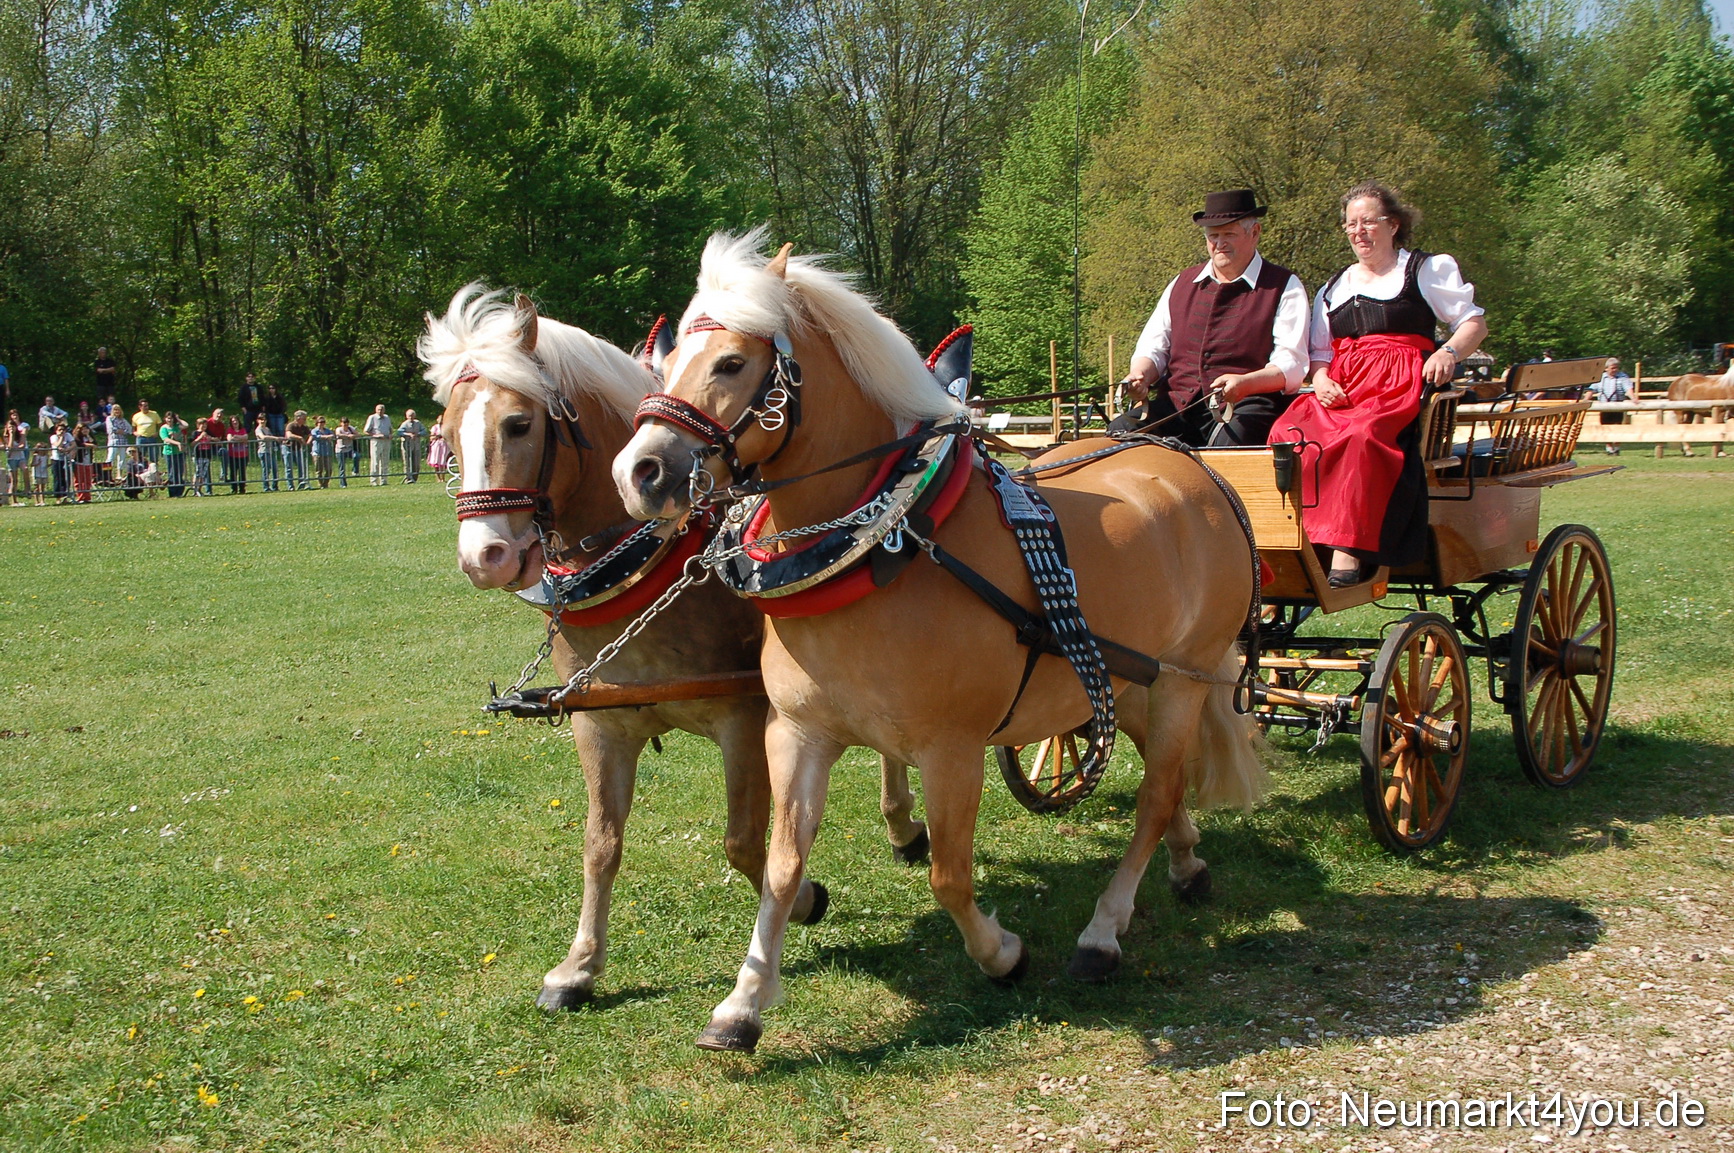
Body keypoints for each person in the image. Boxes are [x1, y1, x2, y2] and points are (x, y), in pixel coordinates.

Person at [1277, 181, 1488, 589]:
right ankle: (1300, 541)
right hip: (1343, 385)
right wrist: (1319, 378)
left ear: (1393, 225)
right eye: (1351, 224)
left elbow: (1473, 324)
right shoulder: (1334, 286)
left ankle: (1348, 548)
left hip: (1395, 385)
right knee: (1288, 432)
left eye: (1368, 222)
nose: (1358, 231)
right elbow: (1320, 351)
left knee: (1362, 436)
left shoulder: (1424, 270)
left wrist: (1447, 352)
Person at [1125, 189, 1309, 447]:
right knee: (1119, 437)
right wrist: (1140, 376)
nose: (1219, 243)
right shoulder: (1182, 283)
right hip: (1177, 406)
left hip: (1247, 406)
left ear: (1255, 233)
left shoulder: (1284, 286)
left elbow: (1292, 364)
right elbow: (1154, 348)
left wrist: (1245, 384)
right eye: (1213, 235)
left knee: (1229, 448)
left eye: (1229, 234)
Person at [1592, 357, 1634, 455]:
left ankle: (1616, 448)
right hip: (1604, 407)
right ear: (1606, 368)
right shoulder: (1600, 378)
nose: (1615, 370)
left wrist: (1633, 399)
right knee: (1605, 427)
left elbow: (1628, 389)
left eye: (1616, 368)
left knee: (1617, 427)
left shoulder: (1623, 377)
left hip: (1617, 407)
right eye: (1613, 368)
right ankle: (1609, 448)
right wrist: (1585, 400)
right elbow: (1592, 390)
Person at [159, 411, 187, 497]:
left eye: (171, 418)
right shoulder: (163, 428)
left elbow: (186, 425)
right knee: (172, 473)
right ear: (165, 419)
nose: (169, 420)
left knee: (180, 472)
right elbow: (166, 439)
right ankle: (173, 492)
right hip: (169, 453)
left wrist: (178, 419)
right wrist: (177, 443)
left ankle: (179, 492)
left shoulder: (177, 426)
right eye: (168, 418)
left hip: (179, 453)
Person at [363, 404, 392, 484]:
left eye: (382, 410)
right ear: (376, 410)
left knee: (385, 461)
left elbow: (390, 429)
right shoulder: (372, 418)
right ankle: (374, 480)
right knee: (375, 461)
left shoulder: (387, 417)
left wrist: (390, 434)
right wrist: (376, 435)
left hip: (386, 441)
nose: (380, 411)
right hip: (376, 441)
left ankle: (384, 480)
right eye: (378, 409)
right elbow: (366, 431)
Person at [283, 410, 312, 490]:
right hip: (288, 448)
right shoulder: (290, 425)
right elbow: (289, 435)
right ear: (298, 418)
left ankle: (301, 484)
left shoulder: (304, 427)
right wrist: (300, 438)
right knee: (289, 467)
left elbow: (310, 435)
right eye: (304, 418)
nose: (305, 420)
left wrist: (308, 442)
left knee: (301, 466)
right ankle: (290, 486)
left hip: (298, 449)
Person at [3, 411, 27, 506]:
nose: (11, 429)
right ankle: (14, 501)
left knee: (25, 469)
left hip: (20, 457)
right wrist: (11, 436)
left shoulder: (21, 435)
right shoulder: (5, 436)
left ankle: (27, 490)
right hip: (11, 459)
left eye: (13, 427)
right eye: (9, 427)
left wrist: (15, 448)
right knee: (14, 480)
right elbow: (9, 447)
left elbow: (22, 445)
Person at [397, 409, 425, 483]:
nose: (411, 417)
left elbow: (424, 431)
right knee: (407, 462)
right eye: (409, 416)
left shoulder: (418, 423)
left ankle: (415, 478)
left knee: (416, 462)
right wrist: (408, 434)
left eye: (412, 416)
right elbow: (399, 432)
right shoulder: (404, 424)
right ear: (406, 416)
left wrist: (418, 434)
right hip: (407, 446)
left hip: (416, 445)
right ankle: (408, 478)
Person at [254, 414, 281, 492]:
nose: (263, 421)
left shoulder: (267, 429)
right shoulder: (258, 429)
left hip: (270, 451)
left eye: (264, 419)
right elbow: (263, 437)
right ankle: (266, 487)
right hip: (263, 451)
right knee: (266, 469)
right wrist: (275, 438)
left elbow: (272, 438)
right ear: (257, 420)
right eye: (261, 419)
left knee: (275, 469)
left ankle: (275, 486)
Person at [132, 399, 162, 464]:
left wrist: (157, 432)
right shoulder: (136, 416)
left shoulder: (154, 414)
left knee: (153, 457)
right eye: (144, 406)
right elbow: (133, 429)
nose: (146, 407)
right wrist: (135, 433)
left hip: (152, 438)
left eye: (147, 406)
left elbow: (160, 425)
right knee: (140, 457)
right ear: (140, 407)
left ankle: (154, 469)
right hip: (141, 438)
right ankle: (141, 469)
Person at [309, 415, 336, 488]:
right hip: (317, 452)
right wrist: (326, 437)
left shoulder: (327, 430)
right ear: (317, 423)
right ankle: (321, 484)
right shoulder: (314, 430)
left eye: (323, 422)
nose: (322, 423)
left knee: (329, 469)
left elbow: (332, 435)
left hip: (327, 452)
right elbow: (316, 436)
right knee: (319, 470)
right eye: (320, 422)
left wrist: (330, 436)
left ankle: (325, 483)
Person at [49, 420, 72, 503]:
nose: (62, 431)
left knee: (66, 479)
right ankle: (58, 498)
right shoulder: (53, 437)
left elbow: (74, 444)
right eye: (59, 429)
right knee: (58, 479)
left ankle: (65, 498)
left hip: (66, 459)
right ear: (56, 430)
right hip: (56, 460)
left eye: (63, 429)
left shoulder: (68, 435)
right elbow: (57, 445)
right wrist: (61, 437)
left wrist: (67, 449)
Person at [71, 421, 95, 502]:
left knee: (88, 481)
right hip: (80, 462)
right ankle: (80, 497)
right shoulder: (76, 437)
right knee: (79, 481)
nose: (85, 430)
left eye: (86, 429)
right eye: (83, 429)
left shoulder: (89, 436)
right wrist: (90, 445)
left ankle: (87, 497)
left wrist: (88, 436)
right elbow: (79, 444)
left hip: (89, 462)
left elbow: (95, 444)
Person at [105, 403, 131, 473]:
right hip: (113, 441)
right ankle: (107, 473)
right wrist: (117, 430)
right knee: (111, 457)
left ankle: (119, 474)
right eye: (115, 410)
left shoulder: (123, 420)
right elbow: (110, 429)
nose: (117, 411)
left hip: (123, 441)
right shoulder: (109, 418)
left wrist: (123, 432)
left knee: (122, 459)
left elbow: (129, 429)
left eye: (118, 410)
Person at [226, 414, 249, 494]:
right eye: (233, 421)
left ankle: (242, 488)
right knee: (233, 472)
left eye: (236, 420)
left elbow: (246, 437)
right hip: (233, 455)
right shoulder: (229, 430)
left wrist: (236, 437)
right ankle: (234, 489)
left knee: (242, 472)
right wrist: (241, 438)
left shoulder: (243, 429)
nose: (235, 422)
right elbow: (230, 439)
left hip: (243, 455)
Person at [335, 416, 357, 487]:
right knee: (342, 468)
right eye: (344, 423)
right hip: (340, 450)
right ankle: (343, 484)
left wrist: (353, 435)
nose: (345, 424)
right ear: (341, 423)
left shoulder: (350, 428)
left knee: (356, 456)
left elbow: (358, 434)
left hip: (349, 449)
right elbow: (338, 434)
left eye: (347, 422)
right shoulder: (339, 429)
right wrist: (347, 435)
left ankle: (355, 471)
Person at [30, 441, 49, 505]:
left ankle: (42, 501)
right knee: (37, 487)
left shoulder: (46, 456)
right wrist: (37, 463)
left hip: (44, 473)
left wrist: (51, 464)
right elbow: (32, 464)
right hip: (37, 473)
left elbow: (46, 464)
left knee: (42, 487)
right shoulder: (35, 456)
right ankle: (36, 501)